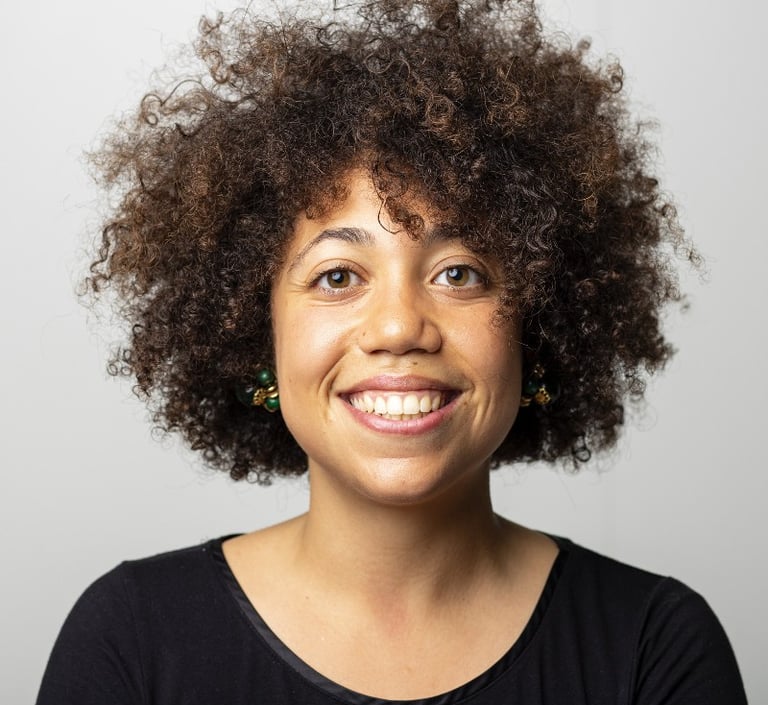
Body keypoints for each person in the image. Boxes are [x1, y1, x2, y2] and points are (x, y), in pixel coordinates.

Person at [36, 1, 747, 703]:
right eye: (337, 277)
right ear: (257, 332)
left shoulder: (655, 647)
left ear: (539, 325)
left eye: (458, 274)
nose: (400, 326)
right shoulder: (130, 639)